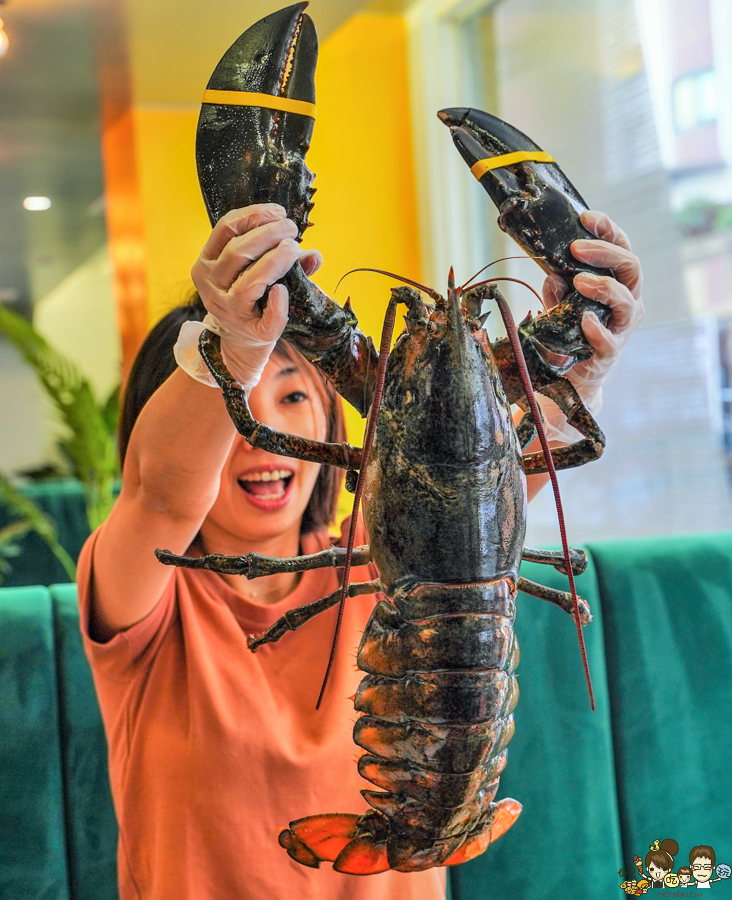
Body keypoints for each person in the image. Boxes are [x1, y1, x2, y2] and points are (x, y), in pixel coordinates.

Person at [77, 202, 644, 900]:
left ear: (334, 412)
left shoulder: (397, 558)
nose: (258, 429)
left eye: (290, 395)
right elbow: (161, 496)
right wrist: (231, 341)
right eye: (237, 403)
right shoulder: (145, 595)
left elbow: (491, 485)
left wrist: (577, 361)